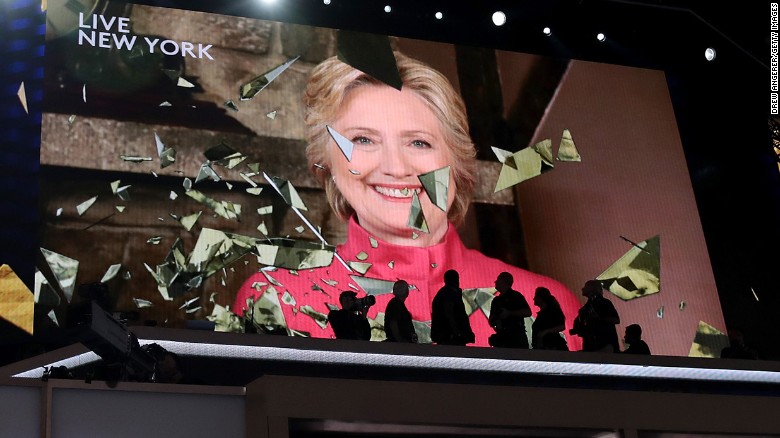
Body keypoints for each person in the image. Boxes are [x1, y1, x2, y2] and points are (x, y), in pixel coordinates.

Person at [233, 51, 582, 348]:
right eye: (364, 140)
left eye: (419, 142)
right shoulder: (276, 298)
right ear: (327, 165)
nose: (396, 167)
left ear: (456, 162)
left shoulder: (547, 305)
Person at [570, 280, 620, 352]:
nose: (582, 289)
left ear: (592, 289)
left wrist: (598, 318)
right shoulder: (586, 307)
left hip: (603, 346)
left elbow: (616, 319)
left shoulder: (604, 303)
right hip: (593, 346)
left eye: (586, 286)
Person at [488, 272, 532, 348]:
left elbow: (528, 312)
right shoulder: (496, 301)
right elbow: (491, 321)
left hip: (516, 338)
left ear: (503, 282)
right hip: (503, 339)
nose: (495, 282)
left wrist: (509, 313)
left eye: (498, 279)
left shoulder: (516, 296)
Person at [431, 269, 474, 346]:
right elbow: (449, 313)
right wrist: (457, 332)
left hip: (445, 336)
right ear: (457, 279)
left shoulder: (442, 293)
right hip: (451, 338)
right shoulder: (450, 293)